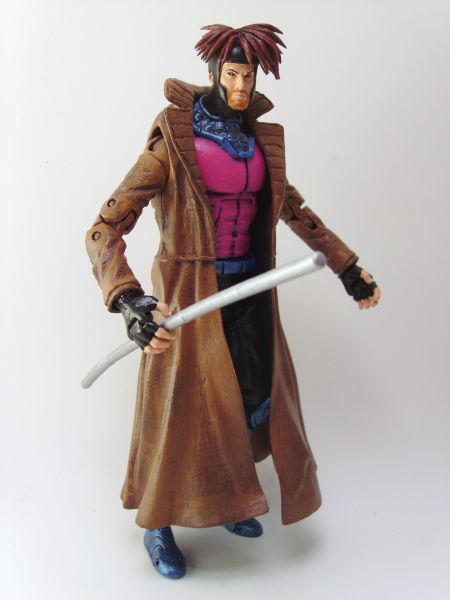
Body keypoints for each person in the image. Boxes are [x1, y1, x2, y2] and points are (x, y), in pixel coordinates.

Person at [86, 23, 380, 579]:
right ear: (214, 73)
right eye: (233, 74)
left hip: (251, 290)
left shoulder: (259, 141)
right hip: (188, 297)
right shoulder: (175, 142)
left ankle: (228, 497)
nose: (242, 86)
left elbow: (294, 210)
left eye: (250, 76)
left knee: (250, 400)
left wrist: (345, 266)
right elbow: (105, 228)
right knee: (178, 412)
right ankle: (157, 524)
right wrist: (129, 299)